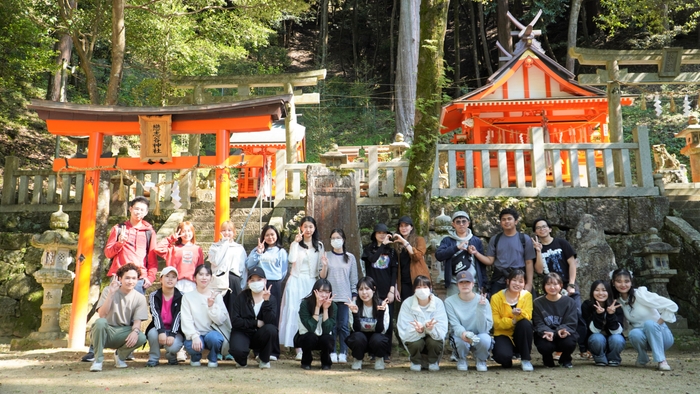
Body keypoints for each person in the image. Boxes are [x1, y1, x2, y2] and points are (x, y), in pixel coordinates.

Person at [84, 196, 156, 363]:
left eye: (142, 210)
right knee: (106, 310)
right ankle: (94, 349)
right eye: (136, 208)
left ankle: (126, 350)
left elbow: (152, 260)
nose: (139, 212)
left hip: (139, 278)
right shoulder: (118, 229)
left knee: (133, 316)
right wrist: (119, 243)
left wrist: (150, 278)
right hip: (118, 276)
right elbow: (108, 253)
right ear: (130, 208)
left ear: (146, 213)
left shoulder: (149, 232)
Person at [532, 218, 588, 358]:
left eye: (544, 226)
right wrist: (538, 251)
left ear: (550, 229)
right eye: (538, 228)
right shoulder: (535, 249)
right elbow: (539, 270)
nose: (542, 229)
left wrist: (571, 284)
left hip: (567, 284)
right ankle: (558, 348)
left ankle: (583, 348)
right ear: (535, 232)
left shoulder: (561, 243)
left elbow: (572, 264)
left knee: (577, 315)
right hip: (550, 288)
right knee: (553, 317)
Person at [611, 268, 677, 371]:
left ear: (631, 282)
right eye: (619, 281)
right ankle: (643, 357)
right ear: (613, 283)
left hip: (662, 336)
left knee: (649, 324)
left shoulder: (640, 294)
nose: (623, 285)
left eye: (626, 281)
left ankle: (662, 361)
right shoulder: (618, 301)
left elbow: (671, 306)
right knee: (634, 333)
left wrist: (657, 324)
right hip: (644, 339)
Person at [89, 263, 148, 372]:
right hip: (105, 331)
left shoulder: (140, 298)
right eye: (127, 278)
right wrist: (111, 294)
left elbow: (137, 321)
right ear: (120, 278)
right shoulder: (108, 290)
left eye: (134, 278)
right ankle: (98, 360)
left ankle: (120, 356)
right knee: (100, 322)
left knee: (141, 337)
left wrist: (135, 331)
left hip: (122, 332)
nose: (130, 281)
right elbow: (102, 314)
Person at [279, 217, 324, 361]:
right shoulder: (296, 244)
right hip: (296, 281)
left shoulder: (319, 245)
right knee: (294, 312)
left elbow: (321, 267)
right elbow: (291, 260)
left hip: (312, 282)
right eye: (306, 227)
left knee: (310, 312)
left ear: (315, 228)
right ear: (301, 227)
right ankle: (297, 347)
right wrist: (294, 243)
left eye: (311, 226)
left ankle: (308, 346)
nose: (308, 230)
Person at [246, 224, 288, 360]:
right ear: (263, 236)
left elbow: (283, 272)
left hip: (274, 285)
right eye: (267, 235)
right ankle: (258, 350)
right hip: (259, 284)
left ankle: (274, 351)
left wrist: (274, 282)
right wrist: (258, 253)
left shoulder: (281, 252)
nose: (270, 237)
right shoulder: (258, 250)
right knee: (260, 316)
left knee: (273, 317)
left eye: (272, 234)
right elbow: (249, 265)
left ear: (277, 236)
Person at [473, 208, 536, 294]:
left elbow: (529, 262)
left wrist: (529, 283)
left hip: (518, 279)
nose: (506, 221)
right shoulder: (495, 239)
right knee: (496, 305)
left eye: (509, 219)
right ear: (501, 222)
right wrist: (476, 253)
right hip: (499, 279)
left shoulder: (524, 239)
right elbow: (489, 261)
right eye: (504, 219)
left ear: (516, 221)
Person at [320, 228, 358, 364]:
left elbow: (354, 280)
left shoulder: (350, 257)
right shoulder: (326, 255)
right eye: (333, 238)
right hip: (330, 298)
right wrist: (324, 265)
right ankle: (332, 352)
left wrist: (354, 298)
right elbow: (322, 277)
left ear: (343, 240)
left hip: (345, 297)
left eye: (338, 238)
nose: (336, 240)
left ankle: (343, 352)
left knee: (343, 326)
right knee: (331, 326)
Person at [360, 223, 397, 360]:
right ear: (374, 234)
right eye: (379, 233)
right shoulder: (368, 249)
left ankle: (385, 352)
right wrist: (382, 246)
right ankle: (372, 352)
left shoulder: (392, 251)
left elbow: (393, 270)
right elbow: (372, 259)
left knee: (387, 322)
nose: (381, 235)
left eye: (384, 233)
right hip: (371, 291)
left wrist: (392, 289)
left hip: (387, 290)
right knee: (372, 321)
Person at [180, 265, 230, 367]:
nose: (204, 278)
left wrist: (211, 307)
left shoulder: (217, 296)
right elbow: (186, 320)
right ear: (194, 277)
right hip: (196, 334)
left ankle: (213, 356)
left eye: (207, 275)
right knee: (190, 345)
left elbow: (221, 320)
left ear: (211, 278)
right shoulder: (187, 297)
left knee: (215, 339)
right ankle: (195, 357)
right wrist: (194, 336)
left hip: (212, 333)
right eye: (201, 274)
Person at [229, 266, 278, 369]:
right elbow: (235, 320)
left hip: (260, 335)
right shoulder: (241, 297)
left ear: (265, 281)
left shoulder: (271, 299)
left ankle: (264, 358)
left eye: (259, 279)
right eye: (253, 280)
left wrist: (266, 302)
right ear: (248, 282)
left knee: (271, 330)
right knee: (238, 352)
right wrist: (255, 323)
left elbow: (271, 322)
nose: (256, 282)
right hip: (243, 332)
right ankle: (242, 359)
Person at [397, 275, 448, 372]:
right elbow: (403, 328)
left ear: (430, 288)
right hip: (414, 338)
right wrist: (417, 331)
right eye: (418, 287)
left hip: (433, 338)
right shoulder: (407, 303)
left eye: (425, 287)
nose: (422, 290)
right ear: (414, 289)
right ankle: (415, 361)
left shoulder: (438, 303)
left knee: (434, 342)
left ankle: (433, 361)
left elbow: (442, 330)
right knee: (417, 343)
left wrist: (430, 328)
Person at [444, 271, 493, 372]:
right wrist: (464, 333)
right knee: (459, 340)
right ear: (457, 285)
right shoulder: (449, 301)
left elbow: (483, 329)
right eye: (461, 282)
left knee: (485, 339)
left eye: (467, 282)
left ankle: (481, 359)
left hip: (479, 333)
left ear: (473, 283)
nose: (465, 284)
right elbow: (454, 324)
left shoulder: (483, 300)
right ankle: (461, 359)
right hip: (461, 334)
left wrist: (481, 308)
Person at [490, 269, 534, 371]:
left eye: (521, 281)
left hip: (520, 333)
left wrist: (519, 315)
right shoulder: (496, 298)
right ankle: (508, 356)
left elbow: (528, 315)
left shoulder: (527, 296)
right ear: (508, 281)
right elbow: (496, 323)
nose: (517, 284)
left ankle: (525, 359)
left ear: (524, 284)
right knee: (503, 358)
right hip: (503, 334)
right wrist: (513, 321)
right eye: (514, 280)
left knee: (525, 324)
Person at [435, 211, 488, 297]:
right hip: (454, 283)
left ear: (468, 223)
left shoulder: (476, 240)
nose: (461, 224)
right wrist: (456, 248)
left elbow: (481, 265)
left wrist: (483, 283)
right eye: (458, 222)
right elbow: (439, 255)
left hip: (473, 282)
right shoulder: (447, 240)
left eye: (464, 221)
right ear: (453, 224)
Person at [532, 273, 579, 368]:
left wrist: (559, 331)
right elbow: (538, 322)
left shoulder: (569, 302)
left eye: (555, 284)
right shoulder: (537, 303)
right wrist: (548, 332)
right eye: (548, 284)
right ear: (544, 286)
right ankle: (547, 360)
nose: (552, 287)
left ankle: (565, 359)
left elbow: (571, 321)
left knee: (569, 341)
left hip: (563, 333)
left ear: (561, 285)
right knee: (544, 345)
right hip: (546, 334)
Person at [345, 277, 391, 370]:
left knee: (378, 338)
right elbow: (356, 329)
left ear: (374, 289)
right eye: (361, 289)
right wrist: (355, 314)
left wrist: (381, 313)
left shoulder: (382, 304)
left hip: (376, 337)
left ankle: (379, 359)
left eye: (367, 289)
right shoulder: (354, 304)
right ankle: (357, 359)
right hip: (361, 338)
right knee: (357, 337)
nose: (364, 293)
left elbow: (381, 330)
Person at [145, 266, 184, 367]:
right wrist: (161, 331)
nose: (170, 279)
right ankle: (154, 358)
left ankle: (171, 355)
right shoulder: (154, 295)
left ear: (177, 280)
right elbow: (155, 314)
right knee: (153, 333)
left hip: (175, 330)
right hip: (159, 327)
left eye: (173, 277)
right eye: (167, 276)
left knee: (173, 347)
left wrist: (172, 334)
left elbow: (178, 316)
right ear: (161, 279)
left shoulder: (182, 296)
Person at [581, 280, 625, 367]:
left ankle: (613, 358)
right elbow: (594, 330)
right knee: (597, 337)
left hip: (612, 338)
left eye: (604, 290)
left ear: (609, 292)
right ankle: (599, 357)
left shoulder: (616, 306)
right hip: (596, 339)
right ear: (592, 292)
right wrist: (599, 315)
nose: (600, 293)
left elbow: (617, 332)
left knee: (617, 338)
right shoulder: (587, 305)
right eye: (597, 290)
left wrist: (611, 315)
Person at [296, 278, 337, 370]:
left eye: (327, 292)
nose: (324, 295)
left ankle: (326, 362)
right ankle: (306, 361)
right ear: (315, 291)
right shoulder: (305, 304)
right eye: (321, 291)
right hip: (306, 336)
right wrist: (317, 307)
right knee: (310, 336)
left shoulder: (333, 306)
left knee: (327, 338)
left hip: (323, 337)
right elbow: (311, 328)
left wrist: (326, 309)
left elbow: (327, 330)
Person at [208, 220, 248, 312]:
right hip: (219, 281)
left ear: (234, 233)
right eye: (224, 230)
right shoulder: (215, 247)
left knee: (234, 311)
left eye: (229, 230)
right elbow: (216, 261)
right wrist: (224, 244)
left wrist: (242, 285)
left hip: (234, 280)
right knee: (219, 310)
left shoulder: (239, 248)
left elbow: (243, 268)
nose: (226, 233)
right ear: (220, 232)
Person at [154, 221, 204, 294]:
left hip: (192, 284)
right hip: (176, 283)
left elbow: (200, 269)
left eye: (189, 231)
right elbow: (158, 248)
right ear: (179, 233)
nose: (186, 234)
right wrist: (172, 238)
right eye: (183, 231)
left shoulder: (198, 249)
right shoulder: (174, 249)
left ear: (193, 232)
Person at [393, 216, 430, 303]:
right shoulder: (395, 243)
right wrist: (396, 287)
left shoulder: (419, 240)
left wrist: (404, 242)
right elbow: (394, 266)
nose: (403, 228)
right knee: (407, 306)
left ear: (411, 227)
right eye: (401, 226)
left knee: (421, 304)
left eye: (406, 226)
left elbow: (417, 257)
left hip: (418, 279)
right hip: (403, 282)